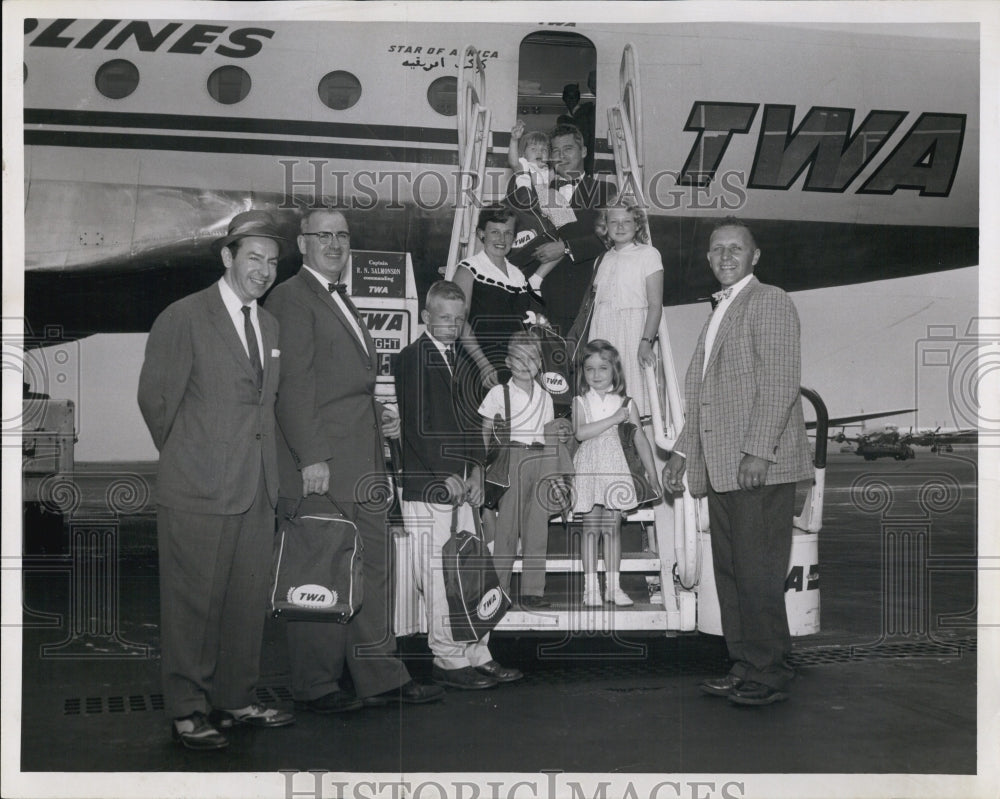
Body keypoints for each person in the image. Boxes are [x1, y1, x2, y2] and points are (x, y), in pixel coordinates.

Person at [264, 207, 444, 711]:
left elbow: (344, 382)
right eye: (323, 236)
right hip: (323, 463)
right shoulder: (291, 298)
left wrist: (379, 415)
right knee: (319, 568)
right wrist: (312, 457)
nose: (335, 244)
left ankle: (379, 675)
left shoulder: (337, 297)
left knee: (373, 566)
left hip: (362, 460)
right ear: (302, 244)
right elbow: (293, 387)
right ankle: (316, 684)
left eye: (342, 236)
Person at [137, 210, 294, 750]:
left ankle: (235, 697)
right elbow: (156, 402)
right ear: (226, 257)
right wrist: (194, 456)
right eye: (253, 258)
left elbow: (263, 408)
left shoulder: (269, 325)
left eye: (272, 263)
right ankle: (186, 709)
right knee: (193, 605)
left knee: (246, 603)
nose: (263, 270)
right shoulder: (183, 317)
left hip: (257, 490)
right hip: (199, 486)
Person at [662, 218, 813, 706]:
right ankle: (747, 663)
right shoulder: (720, 311)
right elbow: (707, 399)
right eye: (717, 250)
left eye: (736, 248)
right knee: (731, 573)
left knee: (757, 574)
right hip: (725, 467)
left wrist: (758, 450)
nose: (725, 256)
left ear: (755, 256)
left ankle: (767, 673)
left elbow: (779, 383)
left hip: (757, 468)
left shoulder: (768, 301)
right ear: (708, 259)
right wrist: (682, 452)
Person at [393, 280, 524, 690]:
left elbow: (473, 425)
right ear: (425, 317)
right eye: (443, 318)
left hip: (463, 485)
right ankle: (447, 660)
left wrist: (475, 471)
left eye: (458, 319)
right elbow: (416, 424)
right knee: (439, 576)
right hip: (429, 486)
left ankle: (477, 653)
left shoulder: (464, 363)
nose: (451, 325)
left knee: (469, 573)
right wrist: (442, 475)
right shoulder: (411, 358)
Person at [478, 331, 569, 608]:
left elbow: (550, 434)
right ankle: (500, 590)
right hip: (512, 461)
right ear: (507, 362)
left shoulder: (546, 398)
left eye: (532, 358)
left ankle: (533, 591)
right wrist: (483, 467)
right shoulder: (499, 393)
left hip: (540, 461)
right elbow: (484, 432)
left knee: (537, 529)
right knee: (506, 529)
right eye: (519, 358)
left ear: (539, 363)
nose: (525, 364)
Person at [571, 340, 660, 607]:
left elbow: (640, 439)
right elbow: (580, 432)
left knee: (613, 530)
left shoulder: (626, 402)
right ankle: (590, 589)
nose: (596, 375)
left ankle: (613, 586)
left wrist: (652, 473)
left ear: (614, 371)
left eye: (603, 368)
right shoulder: (580, 401)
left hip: (615, 468)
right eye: (590, 369)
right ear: (583, 373)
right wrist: (613, 419)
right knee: (590, 530)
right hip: (589, 468)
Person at [507, 124, 615, 337]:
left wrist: (565, 248)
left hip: (582, 297)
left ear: (583, 152)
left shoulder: (605, 191)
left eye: (568, 149)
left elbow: (609, 238)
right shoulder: (534, 188)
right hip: (539, 299)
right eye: (555, 151)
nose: (561, 156)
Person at [452, 204, 544, 401]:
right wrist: (483, 364)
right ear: (481, 234)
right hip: (478, 367)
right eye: (495, 232)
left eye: (508, 233)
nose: (502, 240)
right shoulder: (468, 270)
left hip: (513, 369)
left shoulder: (518, 275)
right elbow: (458, 322)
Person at [588, 202, 664, 418]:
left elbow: (655, 304)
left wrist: (646, 341)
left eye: (627, 221)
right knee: (604, 396)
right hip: (603, 330)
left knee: (632, 395)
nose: (620, 227)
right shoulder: (601, 259)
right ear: (605, 226)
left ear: (637, 225)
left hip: (632, 331)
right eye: (614, 222)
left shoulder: (648, 254)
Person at [505, 121, 577, 290]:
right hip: (526, 201)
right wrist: (514, 140)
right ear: (524, 153)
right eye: (534, 149)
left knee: (567, 237)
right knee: (556, 204)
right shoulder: (524, 165)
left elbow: (553, 182)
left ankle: (537, 278)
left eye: (544, 149)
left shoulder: (547, 170)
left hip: (541, 207)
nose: (540, 152)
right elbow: (513, 161)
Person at [556, 83, 596, 174]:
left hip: (589, 161)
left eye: (573, 97)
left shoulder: (588, 113)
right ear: (563, 98)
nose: (571, 100)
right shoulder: (562, 120)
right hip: (571, 161)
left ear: (578, 98)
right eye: (568, 97)